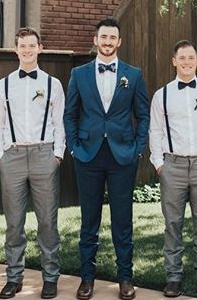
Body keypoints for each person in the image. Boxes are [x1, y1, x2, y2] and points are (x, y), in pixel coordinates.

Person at [64, 18, 150, 300]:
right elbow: (70, 114)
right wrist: (75, 147)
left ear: (119, 41)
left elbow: (143, 114)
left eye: (113, 37)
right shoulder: (79, 74)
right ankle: (86, 278)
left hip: (122, 156)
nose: (108, 41)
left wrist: (138, 147)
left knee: (122, 220)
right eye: (104, 37)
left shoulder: (133, 75)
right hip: (87, 156)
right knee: (89, 220)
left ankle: (125, 278)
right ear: (96, 40)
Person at [0, 28, 65, 299]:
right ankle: (14, 277)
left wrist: (57, 155)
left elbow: (59, 122)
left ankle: (51, 278)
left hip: (44, 155)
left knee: (47, 221)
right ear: (16, 49)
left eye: (32, 45)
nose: (27, 50)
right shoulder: (4, 84)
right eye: (23, 46)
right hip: (13, 157)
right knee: (14, 222)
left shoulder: (52, 84)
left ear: (40, 48)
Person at [148, 40, 197, 299]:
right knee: (173, 224)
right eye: (181, 58)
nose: (186, 62)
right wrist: (159, 163)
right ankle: (173, 277)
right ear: (174, 61)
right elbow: (156, 130)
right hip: (173, 165)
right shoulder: (163, 95)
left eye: (190, 57)